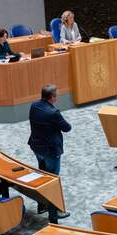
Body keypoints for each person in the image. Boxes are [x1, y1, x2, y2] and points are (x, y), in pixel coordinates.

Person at [27, 84, 71, 218]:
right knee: (52, 180)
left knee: (42, 176)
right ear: (52, 97)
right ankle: (55, 211)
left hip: (37, 147)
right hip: (50, 151)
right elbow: (67, 128)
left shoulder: (34, 106)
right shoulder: (53, 113)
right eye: (56, 95)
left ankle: (42, 206)